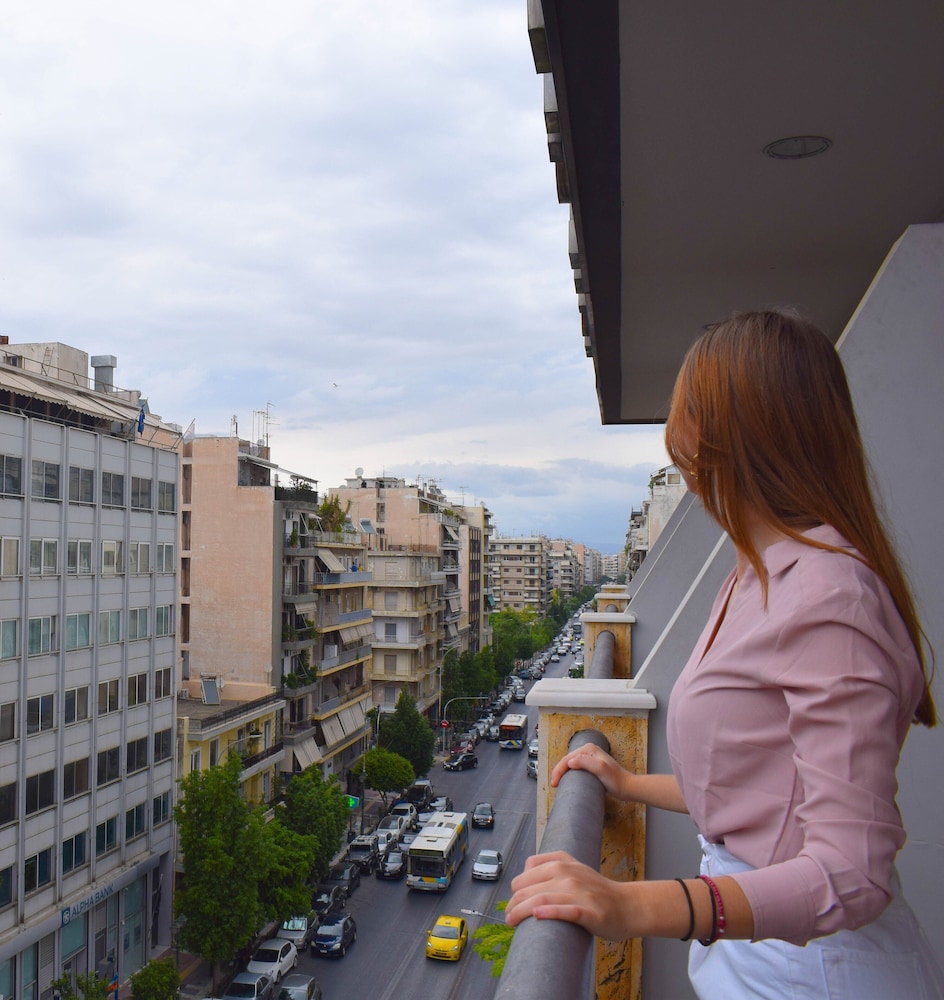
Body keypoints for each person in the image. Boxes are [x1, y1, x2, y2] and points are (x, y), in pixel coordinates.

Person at [505, 310, 944, 998]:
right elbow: (762, 789)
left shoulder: (830, 594)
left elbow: (851, 875)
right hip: (759, 954)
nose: (680, 448)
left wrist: (631, 905)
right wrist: (628, 784)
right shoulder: (753, 575)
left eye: (690, 422)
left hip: (814, 969)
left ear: (736, 436)